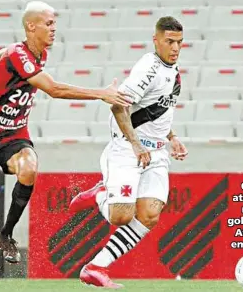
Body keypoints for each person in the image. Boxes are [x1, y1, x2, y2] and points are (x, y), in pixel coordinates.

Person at [0, 1, 132, 286]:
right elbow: (53, 89)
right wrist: (100, 93)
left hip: (14, 135)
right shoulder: (19, 54)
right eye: (49, 23)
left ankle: (5, 235)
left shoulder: (36, 53)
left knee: (29, 168)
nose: (54, 29)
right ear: (31, 26)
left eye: (54, 23)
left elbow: (2, 58)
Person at [69, 16, 189, 288]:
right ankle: (101, 192)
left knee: (149, 215)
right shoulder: (148, 67)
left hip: (156, 153)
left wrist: (172, 138)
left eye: (180, 42)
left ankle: (96, 267)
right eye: (169, 41)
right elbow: (118, 106)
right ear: (156, 40)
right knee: (120, 216)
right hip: (128, 148)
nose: (175, 47)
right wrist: (135, 144)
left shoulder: (173, 69)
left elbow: (159, 109)